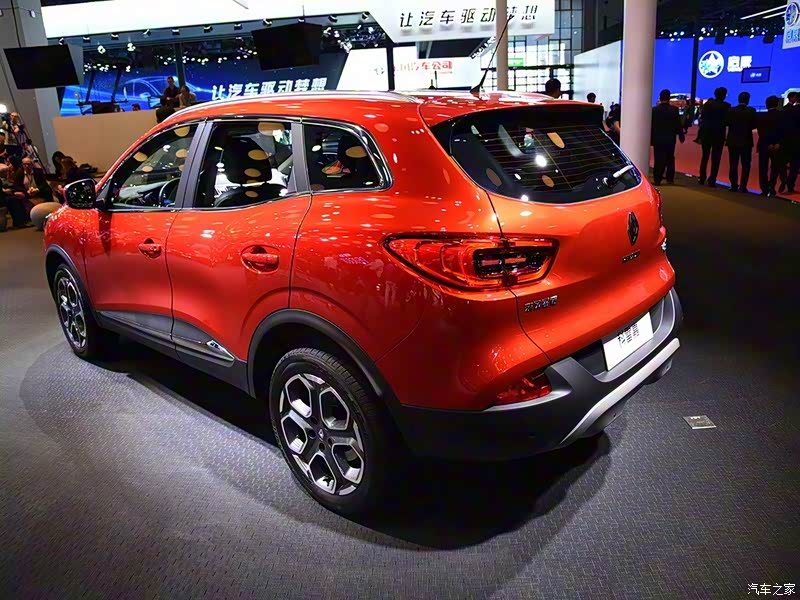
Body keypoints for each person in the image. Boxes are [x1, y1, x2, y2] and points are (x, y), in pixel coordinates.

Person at [724, 92, 757, 194]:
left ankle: (733, 185)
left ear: (738, 99)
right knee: (746, 165)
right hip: (746, 141)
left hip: (733, 140)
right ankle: (743, 186)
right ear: (748, 100)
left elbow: (727, 122)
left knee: (733, 164)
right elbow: (754, 125)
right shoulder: (751, 111)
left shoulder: (731, 110)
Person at [698, 87, 730, 187]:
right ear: (724, 95)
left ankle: (702, 177)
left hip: (706, 133)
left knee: (705, 156)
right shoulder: (726, 106)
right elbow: (727, 121)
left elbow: (702, 117)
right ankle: (712, 179)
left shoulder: (708, 104)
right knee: (716, 159)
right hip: (718, 135)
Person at [651, 89, 685, 185]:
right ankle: (670, 178)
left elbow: (651, 125)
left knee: (658, 158)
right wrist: (681, 136)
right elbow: (678, 125)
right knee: (670, 158)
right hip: (670, 138)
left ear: (660, 97)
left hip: (658, 138)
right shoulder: (674, 110)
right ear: (669, 98)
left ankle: (657, 178)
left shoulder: (654, 110)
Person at [756, 95, 785, 197]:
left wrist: (768, 143)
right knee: (775, 168)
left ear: (766, 104)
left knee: (762, 168)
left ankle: (764, 189)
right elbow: (784, 131)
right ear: (777, 104)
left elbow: (761, 132)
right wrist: (778, 143)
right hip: (777, 145)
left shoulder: (761, 116)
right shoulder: (782, 116)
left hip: (764, 145)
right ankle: (772, 187)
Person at [779, 91, 800, 194]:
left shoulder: (787, 109)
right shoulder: (795, 110)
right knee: (794, 166)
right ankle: (790, 184)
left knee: (783, 163)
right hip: (797, 142)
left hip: (786, 141)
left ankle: (784, 180)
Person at [0, 163, 30, 228]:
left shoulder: (5, 179)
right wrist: (12, 193)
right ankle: (19, 222)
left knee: (18, 198)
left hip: (4, 196)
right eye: (5, 172)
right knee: (13, 200)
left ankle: (24, 220)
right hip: (1, 199)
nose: (6, 173)